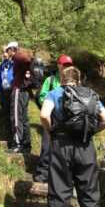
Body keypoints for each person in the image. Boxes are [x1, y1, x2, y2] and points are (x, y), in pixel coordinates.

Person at [40, 66, 105, 207]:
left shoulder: (54, 93)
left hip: (61, 146)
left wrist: (50, 132)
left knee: (59, 193)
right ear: (79, 80)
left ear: (62, 78)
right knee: (89, 194)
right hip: (85, 147)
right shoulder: (90, 94)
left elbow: (44, 115)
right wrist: (91, 133)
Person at [33, 55, 73, 183]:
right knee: (47, 144)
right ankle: (43, 172)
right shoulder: (50, 80)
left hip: (68, 119)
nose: (66, 67)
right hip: (51, 117)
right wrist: (50, 106)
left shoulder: (74, 81)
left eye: (68, 65)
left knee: (66, 147)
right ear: (58, 65)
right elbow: (42, 96)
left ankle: (61, 174)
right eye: (64, 64)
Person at [6, 41, 32, 153]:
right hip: (25, 90)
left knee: (16, 117)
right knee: (24, 118)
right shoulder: (22, 56)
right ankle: (26, 144)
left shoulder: (17, 56)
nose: (7, 52)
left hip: (18, 90)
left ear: (12, 49)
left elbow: (28, 60)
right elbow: (29, 61)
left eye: (8, 50)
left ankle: (17, 144)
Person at [0, 46, 14, 148]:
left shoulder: (14, 63)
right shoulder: (1, 65)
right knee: (6, 115)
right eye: (3, 52)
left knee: (13, 115)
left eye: (6, 52)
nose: (5, 54)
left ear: (10, 52)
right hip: (3, 93)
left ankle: (15, 139)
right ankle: (9, 137)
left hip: (12, 92)